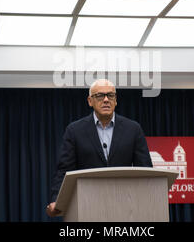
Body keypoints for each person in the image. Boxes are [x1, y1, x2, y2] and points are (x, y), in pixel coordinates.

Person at [46, 79, 152, 217]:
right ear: (90, 101)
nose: (106, 100)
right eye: (100, 96)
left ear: (116, 100)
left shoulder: (133, 129)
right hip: (87, 205)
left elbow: (145, 170)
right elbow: (64, 171)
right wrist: (56, 201)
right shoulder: (75, 130)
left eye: (111, 95)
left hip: (125, 205)